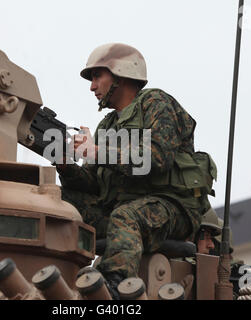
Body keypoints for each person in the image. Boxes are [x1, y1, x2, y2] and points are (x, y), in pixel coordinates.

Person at [56, 43, 216, 299]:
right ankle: (58, 280)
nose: (92, 86)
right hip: (124, 211)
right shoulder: (107, 125)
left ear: (119, 75)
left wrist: (96, 151)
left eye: (97, 76)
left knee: (126, 216)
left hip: (171, 207)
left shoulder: (155, 103)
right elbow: (94, 184)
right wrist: (66, 167)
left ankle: (113, 287)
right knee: (58, 203)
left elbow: (156, 158)